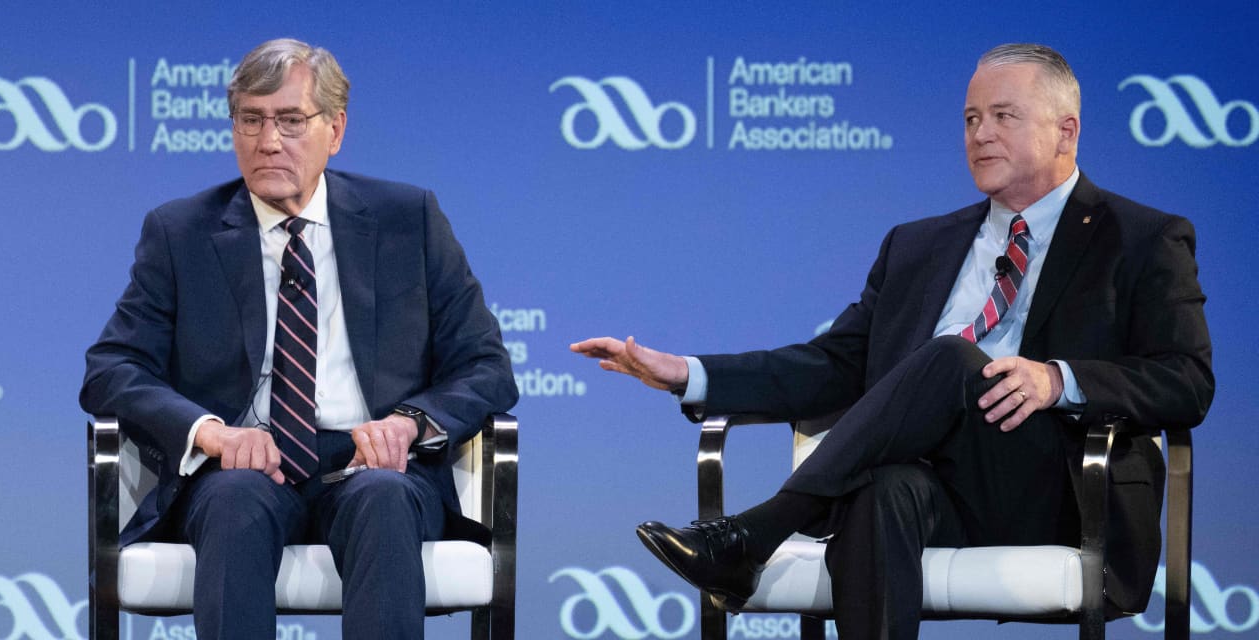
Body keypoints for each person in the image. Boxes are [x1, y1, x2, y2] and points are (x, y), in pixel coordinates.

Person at [572, 43, 1212, 639]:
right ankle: (752, 539)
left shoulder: (1140, 238)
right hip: (931, 487)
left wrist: (1058, 380)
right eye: (970, 119)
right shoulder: (917, 245)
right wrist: (689, 373)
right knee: (882, 492)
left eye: (1003, 116)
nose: (980, 134)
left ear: (1066, 131)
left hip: (1061, 490)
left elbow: (1187, 380)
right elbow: (836, 363)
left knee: (952, 359)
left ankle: (757, 532)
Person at [80, 38, 517, 639]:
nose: (268, 141)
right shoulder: (181, 233)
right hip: (240, 467)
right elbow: (112, 369)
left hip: (374, 465)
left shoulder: (407, 219)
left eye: (290, 120)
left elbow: (487, 366)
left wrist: (410, 423)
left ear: (335, 130)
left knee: (383, 498)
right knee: (233, 499)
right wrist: (210, 433)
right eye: (251, 120)